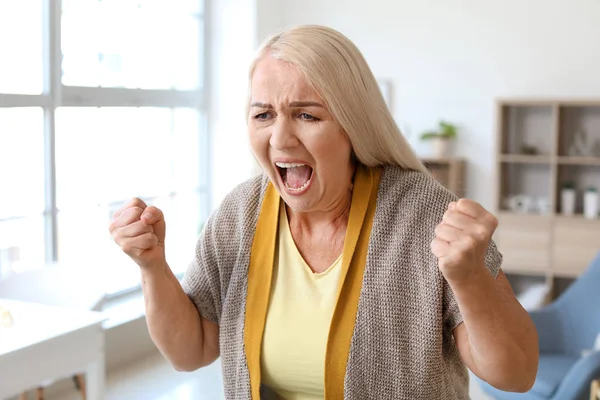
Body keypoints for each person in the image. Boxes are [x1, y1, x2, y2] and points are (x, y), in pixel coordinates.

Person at [109, 25, 539, 400]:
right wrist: (152, 267)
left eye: (306, 115)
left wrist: (469, 277)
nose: (280, 139)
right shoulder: (241, 214)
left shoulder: (424, 214)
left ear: (354, 125)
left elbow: (516, 374)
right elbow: (192, 351)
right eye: (263, 114)